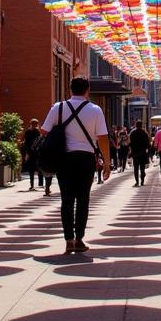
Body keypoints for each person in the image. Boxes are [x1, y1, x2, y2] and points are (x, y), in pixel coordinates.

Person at [40, 77, 111, 254]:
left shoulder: (59, 107)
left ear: (70, 89)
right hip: (86, 158)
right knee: (83, 198)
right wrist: (107, 163)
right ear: (88, 90)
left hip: (64, 158)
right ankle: (79, 238)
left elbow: (44, 130)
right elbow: (102, 137)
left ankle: (68, 240)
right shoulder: (95, 110)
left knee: (66, 199)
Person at [21, 118, 43, 191]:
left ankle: (32, 185)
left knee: (31, 169)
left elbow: (26, 142)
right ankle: (41, 183)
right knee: (40, 167)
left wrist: (27, 153)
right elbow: (40, 142)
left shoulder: (28, 131)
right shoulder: (38, 132)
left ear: (31, 124)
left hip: (30, 152)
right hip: (37, 152)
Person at [129, 119, 151, 186]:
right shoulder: (145, 133)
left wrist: (130, 151)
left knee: (136, 168)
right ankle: (142, 180)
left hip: (135, 153)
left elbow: (130, 143)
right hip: (143, 153)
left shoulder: (132, 133)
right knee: (142, 168)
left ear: (136, 125)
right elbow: (148, 144)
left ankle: (137, 181)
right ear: (142, 125)